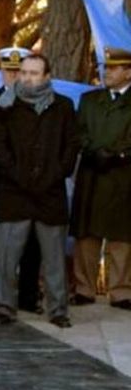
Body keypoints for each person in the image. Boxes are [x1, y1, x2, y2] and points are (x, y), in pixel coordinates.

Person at [0, 54, 79, 327]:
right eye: (24, 72)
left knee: (53, 257)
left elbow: (71, 146)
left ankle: (58, 310)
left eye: (34, 73)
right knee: (6, 255)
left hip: (50, 192)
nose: (27, 78)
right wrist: (17, 175)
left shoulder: (63, 106)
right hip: (14, 191)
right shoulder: (4, 106)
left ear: (47, 76)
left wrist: (55, 173)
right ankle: (4, 307)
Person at [0, 47, 42, 315]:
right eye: (8, 70)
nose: (12, 76)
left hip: (29, 182)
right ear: (1, 71)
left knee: (32, 239)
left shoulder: (38, 100)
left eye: (17, 71)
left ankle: (27, 295)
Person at [69, 46, 131, 309]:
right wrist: (93, 151)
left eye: (114, 68)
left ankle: (122, 291)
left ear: (128, 72)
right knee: (87, 235)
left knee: (122, 236)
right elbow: (77, 132)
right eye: (106, 67)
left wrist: (118, 156)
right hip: (92, 174)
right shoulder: (89, 100)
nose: (107, 72)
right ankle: (84, 288)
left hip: (124, 176)